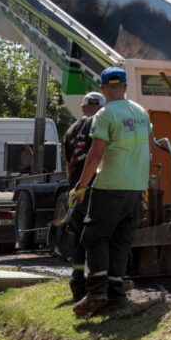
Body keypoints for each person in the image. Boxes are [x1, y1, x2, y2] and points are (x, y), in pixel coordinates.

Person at [71, 67, 153, 317]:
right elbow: (149, 147)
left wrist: (81, 186)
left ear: (104, 89)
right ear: (125, 87)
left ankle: (97, 291)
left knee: (94, 238)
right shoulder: (141, 113)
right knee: (120, 241)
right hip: (135, 188)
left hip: (109, 186)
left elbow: (95, 155)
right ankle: (116, 295)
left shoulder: (105, 114)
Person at [61, 91, 105, 302]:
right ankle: (100, 283)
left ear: (82, 108)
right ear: (102, 108)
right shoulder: (100, 124)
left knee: (78, 236)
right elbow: (99, 155)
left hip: (76, 189)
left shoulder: (70, 130)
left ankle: (77, 282)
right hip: (95, 186)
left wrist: (74, 188)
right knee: (98, 235)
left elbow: (69, 165)